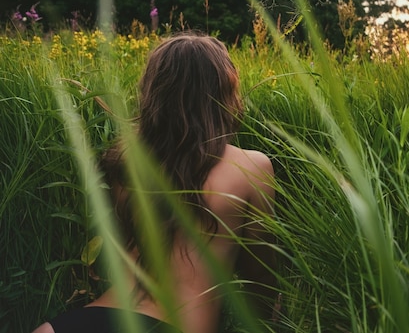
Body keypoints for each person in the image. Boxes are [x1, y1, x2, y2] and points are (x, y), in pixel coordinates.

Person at [32, 34, 277, 333]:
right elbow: (261, 280)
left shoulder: (123, 160)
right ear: (226, 87)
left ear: (153, 90)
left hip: (83, 321)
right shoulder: (252, 167)